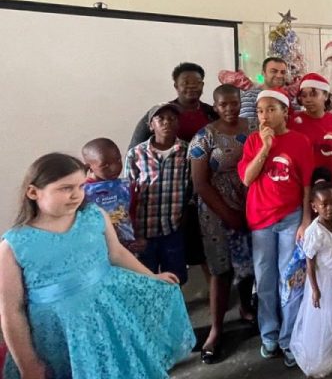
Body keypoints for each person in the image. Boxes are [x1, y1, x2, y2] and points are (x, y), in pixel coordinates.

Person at [0, 153, 195, 378]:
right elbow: (11, 310)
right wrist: (28, 364)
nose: (76, 194)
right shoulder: (13, 246)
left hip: (108, 315)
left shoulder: (94, 216)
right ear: (33, 192)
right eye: (65, 188)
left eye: (81, 186)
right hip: (59, 333)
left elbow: (117, 253)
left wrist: (152, 277)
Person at [238, 88, 314, 367]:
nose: (265, 116)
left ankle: (289, 337)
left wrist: (305, 219)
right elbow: (247, 179)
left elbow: (306, 184)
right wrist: (265, 148)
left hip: (291, 218)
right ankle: (269, 335)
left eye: (271, 109)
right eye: (260, 111)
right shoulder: (252, 141)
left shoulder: (300, 141)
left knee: (290, 278)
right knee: (265, 281)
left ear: (285, 112)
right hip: (261, 221)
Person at [188, 84, 256, 363]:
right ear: (214, 106)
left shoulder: (253, 127)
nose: (229, 108)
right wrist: (229, 214)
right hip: (216, 209)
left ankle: (246, 308)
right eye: (223, 104)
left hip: (252, 203)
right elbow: (200, 183)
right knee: (221, 268)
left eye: (234, 103)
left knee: (250, 261)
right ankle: (215, 330)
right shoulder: (203, 138)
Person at [290, 181, 332, 377]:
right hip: (323, 280)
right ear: (314, 206)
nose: (329, 208)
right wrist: (315, 289)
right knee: (324, 317)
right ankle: (321, 357)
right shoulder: (314, 231)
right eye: (324, 204)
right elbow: (309, 263)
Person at [125, 102, 191, 284]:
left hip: (172, 228)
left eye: (172, 118)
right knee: (147, 277)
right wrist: (131, 231)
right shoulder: (136, 154)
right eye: (160, 119)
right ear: (151, 125)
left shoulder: (186, 152)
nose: (166, 122)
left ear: (178, 124)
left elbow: (190, 187)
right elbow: (127, 194)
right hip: (144, 230)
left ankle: (175, 302)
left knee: (176, 277)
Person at [290, 73, 332, 210]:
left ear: (326, 95)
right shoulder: (293, 122)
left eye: (313, 94)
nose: (308, 99)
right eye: (304, 95)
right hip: (305, 189)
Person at [129, 62, 217, 148]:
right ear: (176, 86)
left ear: (202, 85)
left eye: (196, 82)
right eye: (185, 83)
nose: (191, 86)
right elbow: (135, 149)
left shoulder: (213, 113)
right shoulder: (159, 113)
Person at [81, 138, 138, 251]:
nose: (114, 168)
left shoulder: (124, 188)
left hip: (126, 251)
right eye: (105, 165)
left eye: (118, 160)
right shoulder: (81, 192)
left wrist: (137, 238)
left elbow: (132, 215)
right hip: (96, 251)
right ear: (89, 167)